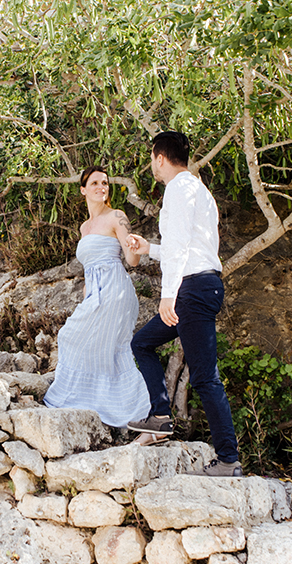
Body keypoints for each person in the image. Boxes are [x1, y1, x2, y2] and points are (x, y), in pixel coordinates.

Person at [126, 131, 243, 476]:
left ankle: (228, 460)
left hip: (190, 291)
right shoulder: (200, 191)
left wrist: (167, 295)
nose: (153, 166)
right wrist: (149, 249)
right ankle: (160, 416)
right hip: (203, 284)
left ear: (160, 157)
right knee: (142, 343)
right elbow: (191, 249)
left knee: (206, 377)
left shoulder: (176, 189)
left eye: (152, 159)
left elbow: (178, 249)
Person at [43, 166, 151, 430]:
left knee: (107, 347)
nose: (101, 187)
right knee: (79, 339)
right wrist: (85, 299)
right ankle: (103, 403)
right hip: (94, 290)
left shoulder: (117, 216)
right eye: (94, 183)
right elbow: (88, 268)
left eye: (105, 183)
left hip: (115, 289)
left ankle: (138, 410)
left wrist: (135, 245)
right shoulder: (84, 227)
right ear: (83, 189)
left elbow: (132, 261)